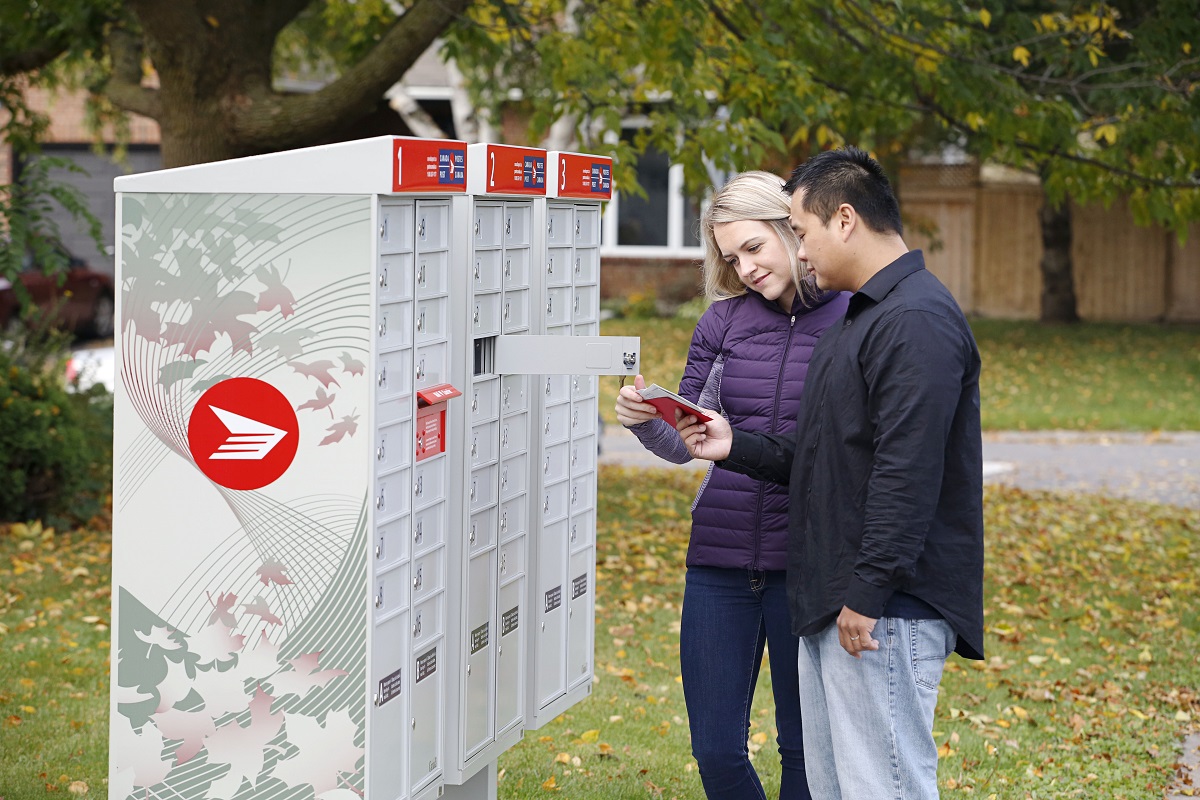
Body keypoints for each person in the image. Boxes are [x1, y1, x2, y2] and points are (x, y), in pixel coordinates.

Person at [676, 147, 985, 800]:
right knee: (837, 786)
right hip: (835, 602)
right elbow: (819, 462)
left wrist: (867, 596)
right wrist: (734, 446)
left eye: (802, 230)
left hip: (881, 612)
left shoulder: (915, 321)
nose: (801, 249)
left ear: (843, 220)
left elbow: (908, 476)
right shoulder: (864, 319)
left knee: (883, 787)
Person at [615, 170, 849, 800]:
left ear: (790, 230)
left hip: (807, 563)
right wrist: (648, 419)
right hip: (718, 562)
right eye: (729, 255)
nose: (743, 267)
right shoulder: (722, 324)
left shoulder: (854, 316)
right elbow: (686, 443)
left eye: (754, 247)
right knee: (716, 750)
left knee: (804, 752)